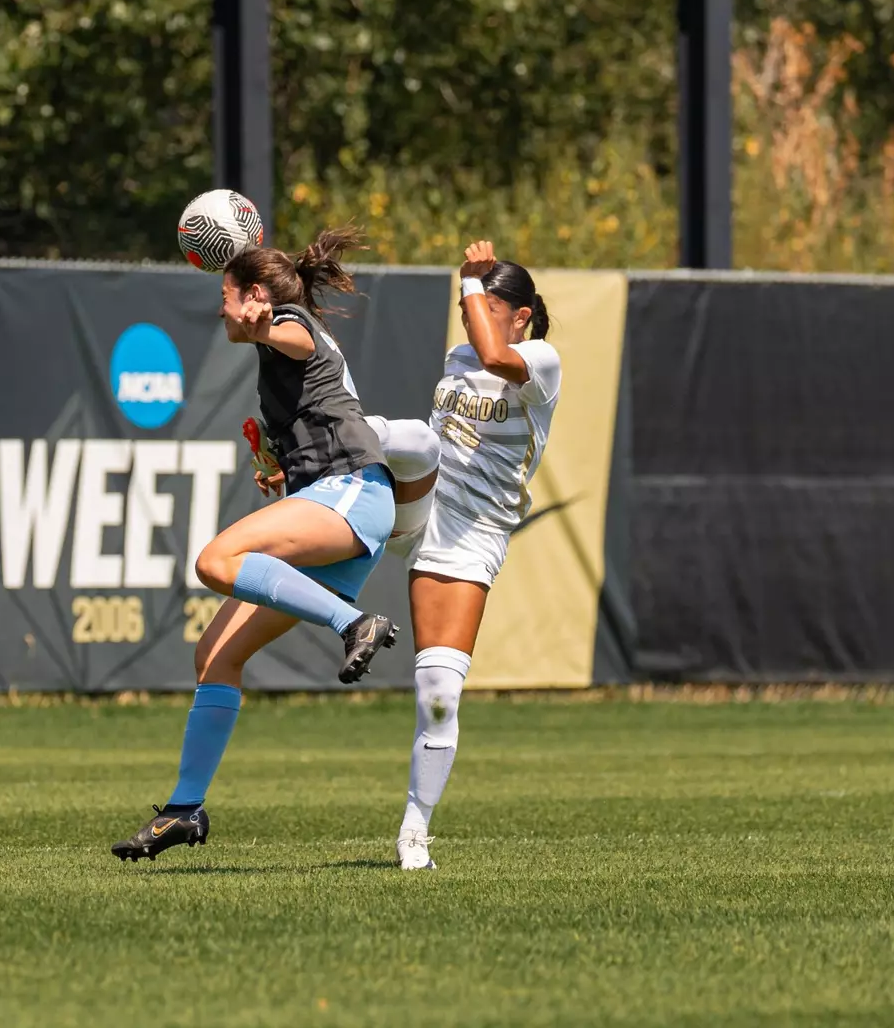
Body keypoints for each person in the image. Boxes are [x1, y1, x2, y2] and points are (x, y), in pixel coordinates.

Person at [111, 228, 402, 862]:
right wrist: (281, 470)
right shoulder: (274, 350)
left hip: (356, 494)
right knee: (214, 655)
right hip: (333, 503)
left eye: (227, 295)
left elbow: (298, 337)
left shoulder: (290, 324)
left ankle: (356, 622)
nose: (221, 308)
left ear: (255, 295)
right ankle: (185, 810)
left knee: (215, 561)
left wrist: (266, 322)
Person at [386, 239, 561, 871]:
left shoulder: (540, 360)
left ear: (519, 315)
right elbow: (473, 351)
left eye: (488, 304)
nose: (473, 316)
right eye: (471, 304)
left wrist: (467, 281)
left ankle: (413, 833)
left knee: (438, 695)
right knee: (409, 438)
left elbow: (493, 351)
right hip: (419, 509)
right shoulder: (459, 355)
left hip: (471, 535)